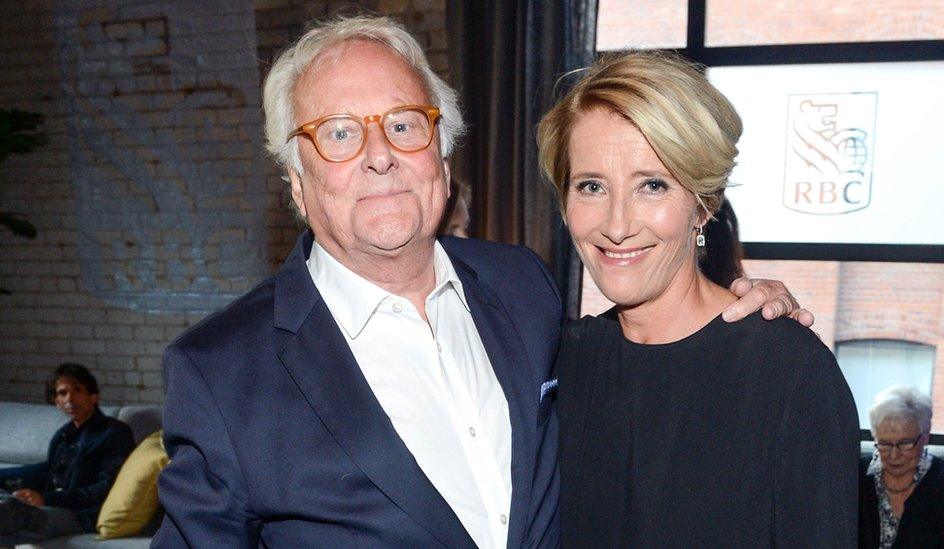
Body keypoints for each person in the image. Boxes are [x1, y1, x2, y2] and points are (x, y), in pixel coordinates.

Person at [153, 16, 809, 548]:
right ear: (297, 181)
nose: (379, 155)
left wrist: (732, 315)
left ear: (441, 154)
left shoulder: (521, 282)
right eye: (340, 133)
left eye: (404, 124)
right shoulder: (219, 371)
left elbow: (624, 374)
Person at [538, 51, 860, 547]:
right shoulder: (560, 364)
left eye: (652, 185)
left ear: (703, 204)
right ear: (565, 203)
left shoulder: (788, 372)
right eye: (591, 186)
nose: (617, 225)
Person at [0, 363, 135, 545]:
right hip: (49, 506)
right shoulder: (63, 436)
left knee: (10, 515)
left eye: (77, 391)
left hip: (81, 514)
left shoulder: (114, 432)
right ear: (56, 402)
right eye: (62, 393)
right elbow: (46, 471)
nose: (70, 399)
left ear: (94, 396)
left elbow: (105, 488)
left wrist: (45, 498)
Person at [859, 385, 944, 548]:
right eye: (884, 443)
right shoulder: (856, 476)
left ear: (926, 436)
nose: (894, 455)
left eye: (905, 443)